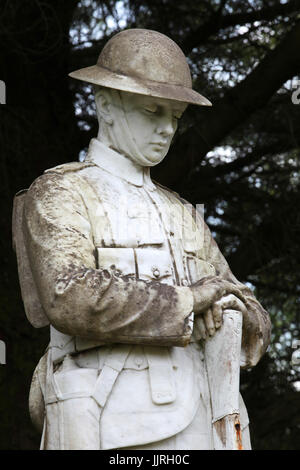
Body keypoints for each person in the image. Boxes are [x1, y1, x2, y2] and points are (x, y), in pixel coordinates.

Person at [13, 29, 271, 450]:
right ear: (106, 105)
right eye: (153, 110)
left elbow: (245, 305)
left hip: (207, 425)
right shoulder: (63, 192)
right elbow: (68, 295)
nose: (167, 129)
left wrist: (230, 311)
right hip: (111, 423)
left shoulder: (182, 211)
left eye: (175, 116)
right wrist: (188, 303)